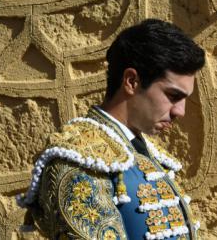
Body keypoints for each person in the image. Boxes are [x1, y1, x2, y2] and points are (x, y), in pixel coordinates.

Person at [17, 19, 205, 240]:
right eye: (173, 96)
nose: (180, 111)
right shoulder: (79, 160)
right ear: (131, 81)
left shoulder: (146, 154)